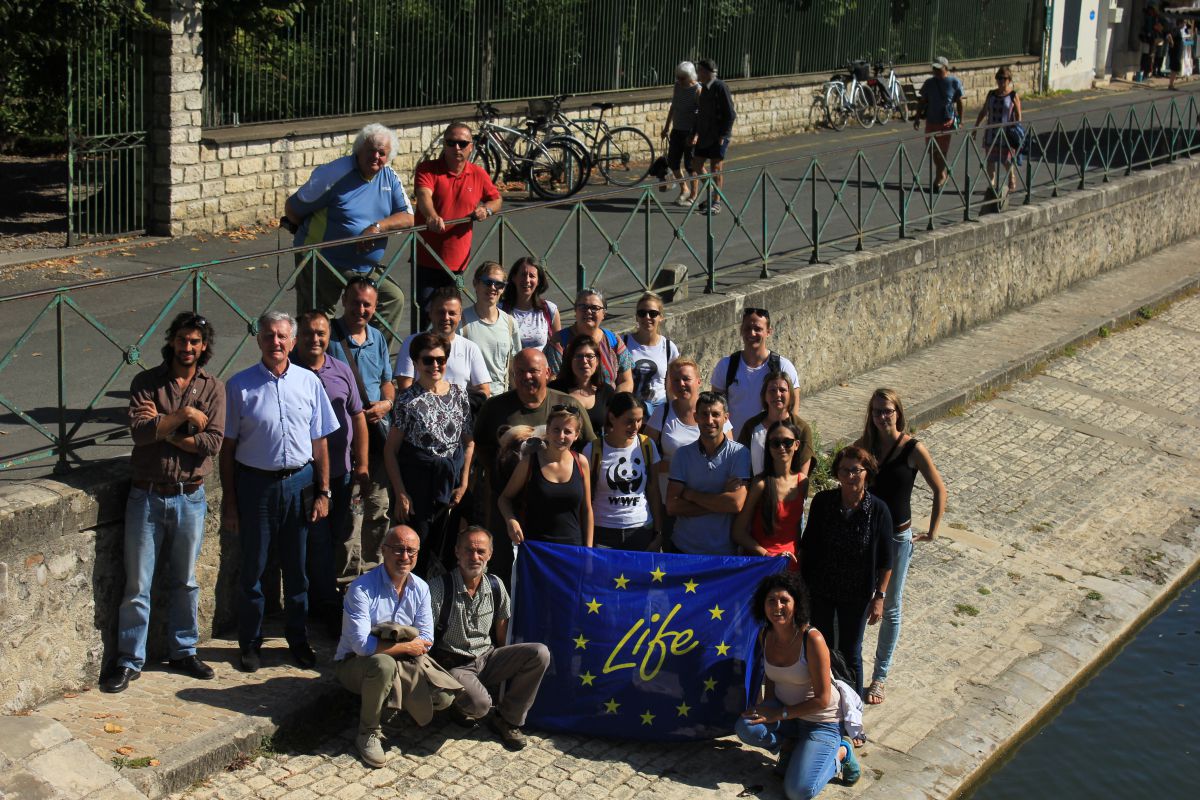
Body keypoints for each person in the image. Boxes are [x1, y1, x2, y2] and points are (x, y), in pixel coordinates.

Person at [102, 313, 225, 693]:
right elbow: (140, 434)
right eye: (182, 340)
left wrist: (163, 428)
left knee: (185, 581)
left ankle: (183, 651)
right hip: (147, 496)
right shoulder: (146, 382)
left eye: (195, 341)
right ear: (171, 341)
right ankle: (129, 660)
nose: (187, 347)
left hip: (190, 496)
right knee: (137, 584)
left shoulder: (213, 388)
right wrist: (185, 416)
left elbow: (211, 444)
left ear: (204, 346)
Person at [220, 311, 340, 673]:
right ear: (259, 340)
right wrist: (230, 502)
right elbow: (227, 448)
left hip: (300, 483)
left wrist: (323, 491)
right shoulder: (239, 386)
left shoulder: (308, 382)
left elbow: (320, 442)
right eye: (269, 335)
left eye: (282, 336)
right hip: (256, 485)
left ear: (292, 341)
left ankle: (297, 639)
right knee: (254, 568)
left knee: (297, 568)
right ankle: (250, 642)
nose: (276, 342)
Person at [473, 349, 597, 582]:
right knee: (507, 577)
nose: (526, 376)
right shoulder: (494, 408)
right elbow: (478, 445)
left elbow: (590, 448)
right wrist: (495, 471)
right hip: (507, 511)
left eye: (533, 371)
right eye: (520, 371)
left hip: (560, 516)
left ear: (548, 373)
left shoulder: (567, 404)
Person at [856, 389, 946, 707]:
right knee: (858, 600)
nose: (883, 416)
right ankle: (850, 669)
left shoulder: (912, 448)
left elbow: (939, 489)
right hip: (866, 535)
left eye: (888, 410)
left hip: (897, 538)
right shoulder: (865, 446)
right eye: (877, 411)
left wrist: (932, 531)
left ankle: (879, 677)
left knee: (890, 607)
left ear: (898, 412)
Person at [737, 572, 860, 799]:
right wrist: (767, 707)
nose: (777, 607)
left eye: (784, 600)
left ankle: (842, 753)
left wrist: (778, 714)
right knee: (746, 727)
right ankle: (790, 747)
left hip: (821, 722)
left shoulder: (811, 638)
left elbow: (822, 699)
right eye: (771, 600)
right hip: (789, 717)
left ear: (797, 604)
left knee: (798, 791)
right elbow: (772, 677)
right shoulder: (765, 634)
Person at [286, 123, 414, 336]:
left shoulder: (389, 177)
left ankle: (369, 351)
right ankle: (319, 358)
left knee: (392, 299)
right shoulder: (334, 173)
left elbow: (408, 218)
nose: (376, 157)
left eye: (382, 153)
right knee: (316, 320)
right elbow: (293, 209)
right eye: (371, 150)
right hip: (322, 259)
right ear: (359, 150)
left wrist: (377, 227)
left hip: (364, 267)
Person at [429, 526, 550, 750]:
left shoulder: (495, 585)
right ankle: (458, 705)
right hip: (455, 665)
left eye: (481, 551)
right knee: (481, 705)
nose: (474, 557)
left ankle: (507, 719)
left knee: (539, 653)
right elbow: (426, 637)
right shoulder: (438, 588)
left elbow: (502, 631)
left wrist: (508, 664)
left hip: (487, 658)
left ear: (490, 554)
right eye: (468, 550)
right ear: (457, 552)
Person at [291, 311, 370, 630]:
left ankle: (323, 598)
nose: (315, 339)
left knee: (337, 535)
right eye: (308, 333)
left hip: (341, 471)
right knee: (317, 540)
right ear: (297, 337)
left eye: (321, 333)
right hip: (305, 475)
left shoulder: (340, 368)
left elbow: (358, 416)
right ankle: (323, 604)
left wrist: (363, 464)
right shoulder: (289, 370)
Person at [334, 525, 434, 768]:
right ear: (384, 550)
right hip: (354, 664)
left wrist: (408, 648)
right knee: (383, 665)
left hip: (401, 662)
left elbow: (427, 638)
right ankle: (367, 732)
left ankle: (395, 707)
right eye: (398, 550)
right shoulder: (362, 589)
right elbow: (361, 646)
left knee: (442, 698)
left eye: (411, 551)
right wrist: (405, 647)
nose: (405, 557)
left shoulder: (421, 587)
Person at [798, 445, 893, 698]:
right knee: (822, 647)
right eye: (844, 471)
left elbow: (886, 560)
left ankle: (853, 709)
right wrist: (802, 586)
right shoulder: (823, 502)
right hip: (821, 588)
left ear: (867, 472)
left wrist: (879, 597)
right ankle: (825, 702)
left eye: (856, 470)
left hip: (856, 593)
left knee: (851, 652)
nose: (850, 476)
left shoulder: (878, 510)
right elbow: (807, 545)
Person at [384, 333, 474, 576]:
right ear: (416, 362)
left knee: (450, 552)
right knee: (417, 551)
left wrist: (464, 483)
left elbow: (469, 442)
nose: (435, 365)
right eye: (428, 360)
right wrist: (401, 493)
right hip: (419, 487)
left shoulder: (459, 394)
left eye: (440, 360)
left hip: (451, 484)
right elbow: (391, 451)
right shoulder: (407, 399)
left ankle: (445, 599)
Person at [325, 276, 395, 575]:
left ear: (375, 307)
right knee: (350, 517)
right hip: (344, 442)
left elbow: (387, 381)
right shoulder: (329, 338)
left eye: (368, 305)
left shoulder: (377, 338)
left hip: (377, 439)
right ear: (344, 301)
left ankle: (374, 572)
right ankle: (347, 580)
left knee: (377, 509)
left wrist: (386, 403)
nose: (361, 310)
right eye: (356, 303)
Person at [413, 122, 503, 328]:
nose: (457, 148)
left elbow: (497, 199)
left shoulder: (478, 173)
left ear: (471, 147)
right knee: (427, 316)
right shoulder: (428, 169)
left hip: (459, 261)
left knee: (451, 318)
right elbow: (424, 195)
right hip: (428, 258)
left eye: (462, 143)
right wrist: (432, 216)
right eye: (451, 142)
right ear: (444, 145)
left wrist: (487, 209)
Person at [665, 391, 750, 555]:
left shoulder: (739, 454)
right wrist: (721, 499)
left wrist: (691, 495)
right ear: (696, 417)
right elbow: (672, 506)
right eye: (704, 414)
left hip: (723, 552)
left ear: (726, 418)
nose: (710, 421)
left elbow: (735, 504)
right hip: (684, 548)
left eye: (716, 414)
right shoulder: (682, 455)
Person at [499, 405, 594, 548]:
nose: (561, 436)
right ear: (548, 430)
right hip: (535, 549)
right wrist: (511, 520)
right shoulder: (529, 462)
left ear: (576, 435)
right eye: (556, 429)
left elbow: (587, 510)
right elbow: (504, 499)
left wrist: (589, 550)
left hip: (573, 549)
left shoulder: (581, 462)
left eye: (567, 431)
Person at [644, 358, 731, 506]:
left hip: (709, 499)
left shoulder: (716, 411)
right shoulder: (662, 412)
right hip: (670, 501)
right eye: (675, 380)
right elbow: (645, 456)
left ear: (698, 381)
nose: (681, 384)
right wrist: (680, 466)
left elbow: (729, 456)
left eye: (686, 379)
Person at [583, 392, 664, 551]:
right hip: (602, 532)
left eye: (639, 420)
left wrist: (658, 532)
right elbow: (585, 499)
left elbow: (654, 490)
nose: (636, 427)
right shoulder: (592, 450)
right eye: (629, 421)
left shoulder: (647, 445)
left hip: (641, 530)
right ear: (612, 418)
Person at [711, 307, 801, 435]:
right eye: (747, 328)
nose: (752, 333)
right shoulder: (726, 366)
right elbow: (715, 409)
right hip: (733, 442)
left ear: (768, 332)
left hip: (771, 443)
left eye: (758, 329)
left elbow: (793, 412)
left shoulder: (783, 367)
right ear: (741, 330)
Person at [733, 420, 807, 569]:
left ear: (797, 445)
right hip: (763, 564)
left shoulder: (803, 481)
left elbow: (796, 530)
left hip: (791, 564)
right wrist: (768, 555)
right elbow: (738, 532)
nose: (781, 447)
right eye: (775, 443)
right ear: (768, 447)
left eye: (787, 442)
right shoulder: (761, 483)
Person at [395, 286, 490, 396]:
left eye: (452, 313)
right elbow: (405, 387)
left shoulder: (470, 348)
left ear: (460, 315)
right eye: (441, 312)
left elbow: (484, 391)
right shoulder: (412, 342)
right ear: (430, 313)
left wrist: (460, 403)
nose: (446, 317)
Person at [545, 288, 633, 391]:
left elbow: (626, 381)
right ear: (575, 311)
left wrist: (616, 399)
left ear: (604, 314)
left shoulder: (613, 341)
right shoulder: (559, 342)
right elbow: (552, 381)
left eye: (595, 308)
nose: (588, 311)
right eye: (583, 307)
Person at [736, 370, 815, 478]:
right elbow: (740, 464)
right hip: (755, 487)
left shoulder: (801, 428)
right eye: (772, 390)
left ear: (791, 395)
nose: (777, 394)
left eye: (782, 390)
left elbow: (802, 477)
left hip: (790, 488)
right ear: (764, 395)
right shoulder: (751, 426)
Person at [460, 261, 522, 390]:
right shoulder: (461, 321)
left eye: (499, 284)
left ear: (503, 289)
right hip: (472, 398)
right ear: (475, 284)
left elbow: (513, 368)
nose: (493, 288)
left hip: (501, 398)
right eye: (488, 282)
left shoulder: (510, 323)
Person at [691, 58, 736, 216]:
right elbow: (702, 114)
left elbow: (730, 114)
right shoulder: (704, 88)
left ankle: (716, 202)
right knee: (696, 164)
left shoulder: (720, 87)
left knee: (716, 168)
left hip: (718, 136)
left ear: (706, 72)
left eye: (699, 71)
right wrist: (695, 133)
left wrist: (723, 134)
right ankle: (713, 190)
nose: (698, 74)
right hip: (704, 135)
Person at [624, 291, 680, 420]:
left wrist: (674, 415)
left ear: (661, 317)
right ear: (636, 317)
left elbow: (671, 388)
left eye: (653, 313)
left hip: (659, 412)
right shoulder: (624, 343)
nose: (647, 317)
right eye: (642, 313)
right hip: (630, 411)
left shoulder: (669, 348)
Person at [548, 334, 614, 436]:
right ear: (570, 361)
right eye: (578, 356)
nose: (584, 361)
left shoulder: (606, 391)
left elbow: (612, 428)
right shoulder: (554, 389)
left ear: (597, 361)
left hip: (595, 445)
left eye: (590, 356)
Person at [914, 56, 964, 190]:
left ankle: (939, 177)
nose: (935, 71)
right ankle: (942, 173)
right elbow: (922, 101)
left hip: (945, 122)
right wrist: (917, 118)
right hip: (931, 121)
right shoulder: (929, 83)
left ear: (945, 68)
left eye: (938, 68)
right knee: (932, 151)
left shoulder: (954, 82)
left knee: (942, 151)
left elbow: (959, 102)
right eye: (934, 68)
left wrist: (960, 120)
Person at [973, 66, 1022, 195]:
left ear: (1009, 80)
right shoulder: (991, 94)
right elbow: (984, 111)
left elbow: (1018, 114)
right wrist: (976, 127)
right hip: (991, 132)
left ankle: (1011, 178)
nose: (1000, 81)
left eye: (1003, 78)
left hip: (1006, 134)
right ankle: (992, 184)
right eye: (998, 78)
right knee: (990, 159)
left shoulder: (1013, 95)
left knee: (1006, 160)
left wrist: (1016, 129)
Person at [660, 61, 701, 207]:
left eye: (682, 78)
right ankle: (684, 189)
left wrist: (696, 135)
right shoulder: (677, 86)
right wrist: (666, 127)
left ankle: (694, 195)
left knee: (691, 165)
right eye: (678, 77)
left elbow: (702, 115)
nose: (679, 80)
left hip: (690, 132)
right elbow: (673, 107)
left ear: (690, 77)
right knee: (673, 161)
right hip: (677, 130)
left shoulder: (698, 90)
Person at [499, 256, 561, 350]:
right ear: (514, 278)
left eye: (532, 276)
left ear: (538, 281)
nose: (527, 280)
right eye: (523, 275)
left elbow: (558, 348)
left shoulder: (549, 309)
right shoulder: (499, 310)